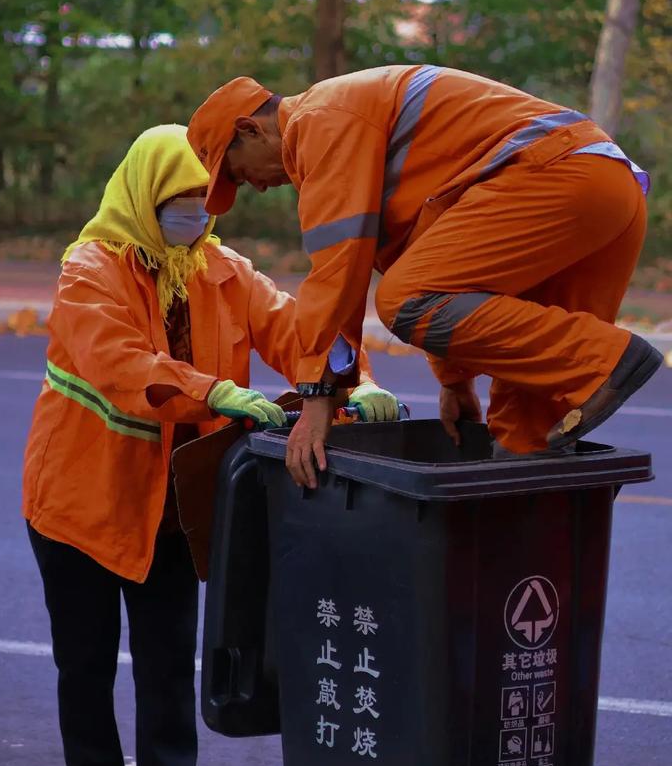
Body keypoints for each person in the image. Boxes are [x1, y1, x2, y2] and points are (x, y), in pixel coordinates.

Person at [22, 124, 396, 766]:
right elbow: (117, 360)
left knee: (167, 662)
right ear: (143, 195)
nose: (194, 216)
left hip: (170, 507)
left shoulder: (220, 269)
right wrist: (214, 390)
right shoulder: (89, 269)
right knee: (86, 663)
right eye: (178, 203)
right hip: (79, 501)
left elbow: (296, 327)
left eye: (202, 202)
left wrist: (358, 381)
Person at [188, 67, 662, 487]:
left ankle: (604, 359)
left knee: (403, 300)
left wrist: (317, 403)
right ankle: (521, 565)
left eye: (238, 173)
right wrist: (455, 381)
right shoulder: (350, 128)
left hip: (557, 178)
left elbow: (337, 278)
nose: (256, 185)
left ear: (250, 129)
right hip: (607, 192)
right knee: (526, 428)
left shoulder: (321, 123)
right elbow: (441, 264)